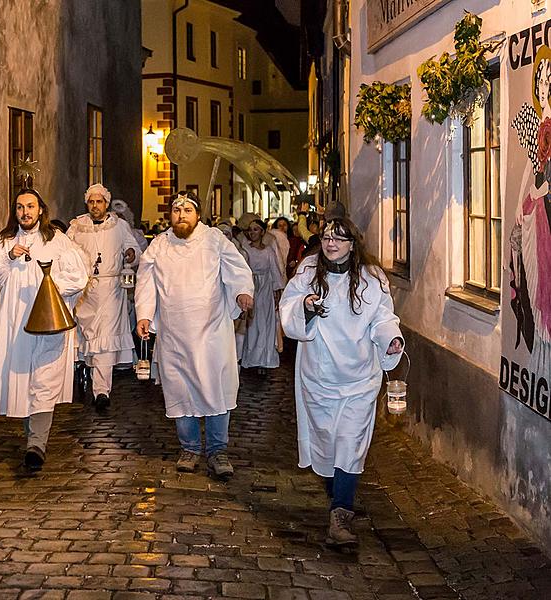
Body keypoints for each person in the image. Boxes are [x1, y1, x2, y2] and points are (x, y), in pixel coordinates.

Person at [280, 217, 404, 546]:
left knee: (350, 443)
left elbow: (382, 316)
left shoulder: (371, 277)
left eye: (339, 238)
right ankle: (338, 490)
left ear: (353, 243)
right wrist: (305, 306)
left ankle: (341, 514)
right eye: (326, 237)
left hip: (360, 377)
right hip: (319, 375)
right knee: (327, 443)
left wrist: (390, 338)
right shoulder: (308, 271)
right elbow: (288, 305)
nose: (331, 243)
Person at [136, 191, 255, 479]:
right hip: (174, 334)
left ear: (197, 214)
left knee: (216, 389)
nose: (181, 215)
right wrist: (144, 314)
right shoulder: (159, 245)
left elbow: (237, 269)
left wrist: (241, 292)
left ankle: (218, 450)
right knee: (181, 390)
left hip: (211, 332)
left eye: (187, 210)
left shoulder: (214, 240)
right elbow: (146, 281)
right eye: (177, 210)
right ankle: (189, 448)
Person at [0, 189, 88, 471]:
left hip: (48, 320)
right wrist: (8, 258)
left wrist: (51, 287)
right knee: (24, 378)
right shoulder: (4, 241)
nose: (25, 212)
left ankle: (37, 443)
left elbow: (79, 276)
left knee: (44, 378)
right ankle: (32, 438)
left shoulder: (58, 241)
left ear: (40, 210)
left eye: (30, 206)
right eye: (19, 207)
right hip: (16, 322)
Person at [67, 184, 141, 410]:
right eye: (91, 202)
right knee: (85, 337)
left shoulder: (119, 226)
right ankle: (83, 373)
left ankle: (102, 390)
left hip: (111, 290)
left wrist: (130, 254)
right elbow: (65, 253)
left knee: (106, 341)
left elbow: (134, 249)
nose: (95, 206)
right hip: (85, 290)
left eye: (99, 202)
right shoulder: (77, 227)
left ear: (106, 204)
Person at [236, 219, 286, 372]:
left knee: (265, 323)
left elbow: (275, 270)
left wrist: (277, 290)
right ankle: (251, 358)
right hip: (250, 287)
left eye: (256, 229)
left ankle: (264, 358)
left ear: (263, 232)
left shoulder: (269, 251)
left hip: (265, 289)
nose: (252, 233)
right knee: (252, 325)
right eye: (250, 229)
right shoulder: (245, 250)